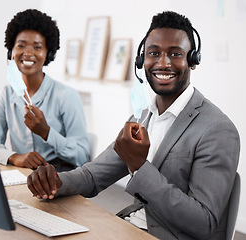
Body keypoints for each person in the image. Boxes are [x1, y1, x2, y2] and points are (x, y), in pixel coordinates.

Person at [27, 11, 240, 239]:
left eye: (175, 54)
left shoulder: (217, 129)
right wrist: (55, 181)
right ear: (142, 60)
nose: (163, 63)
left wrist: (139, 166)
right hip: (129, 226)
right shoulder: (142, 117)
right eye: (153, 53)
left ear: (192, 60)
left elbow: (203, 222)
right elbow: (93, 176)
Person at [0, 9, 90, 171]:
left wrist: (46, 132)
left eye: (37, 47)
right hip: (21, 176)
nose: (28, 53)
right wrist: (15, 157)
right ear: (11, 51)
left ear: (48, 53)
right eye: (21, 45)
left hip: (60, 178)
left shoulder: (67, 96)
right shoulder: (6, 94)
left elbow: (82, 156)